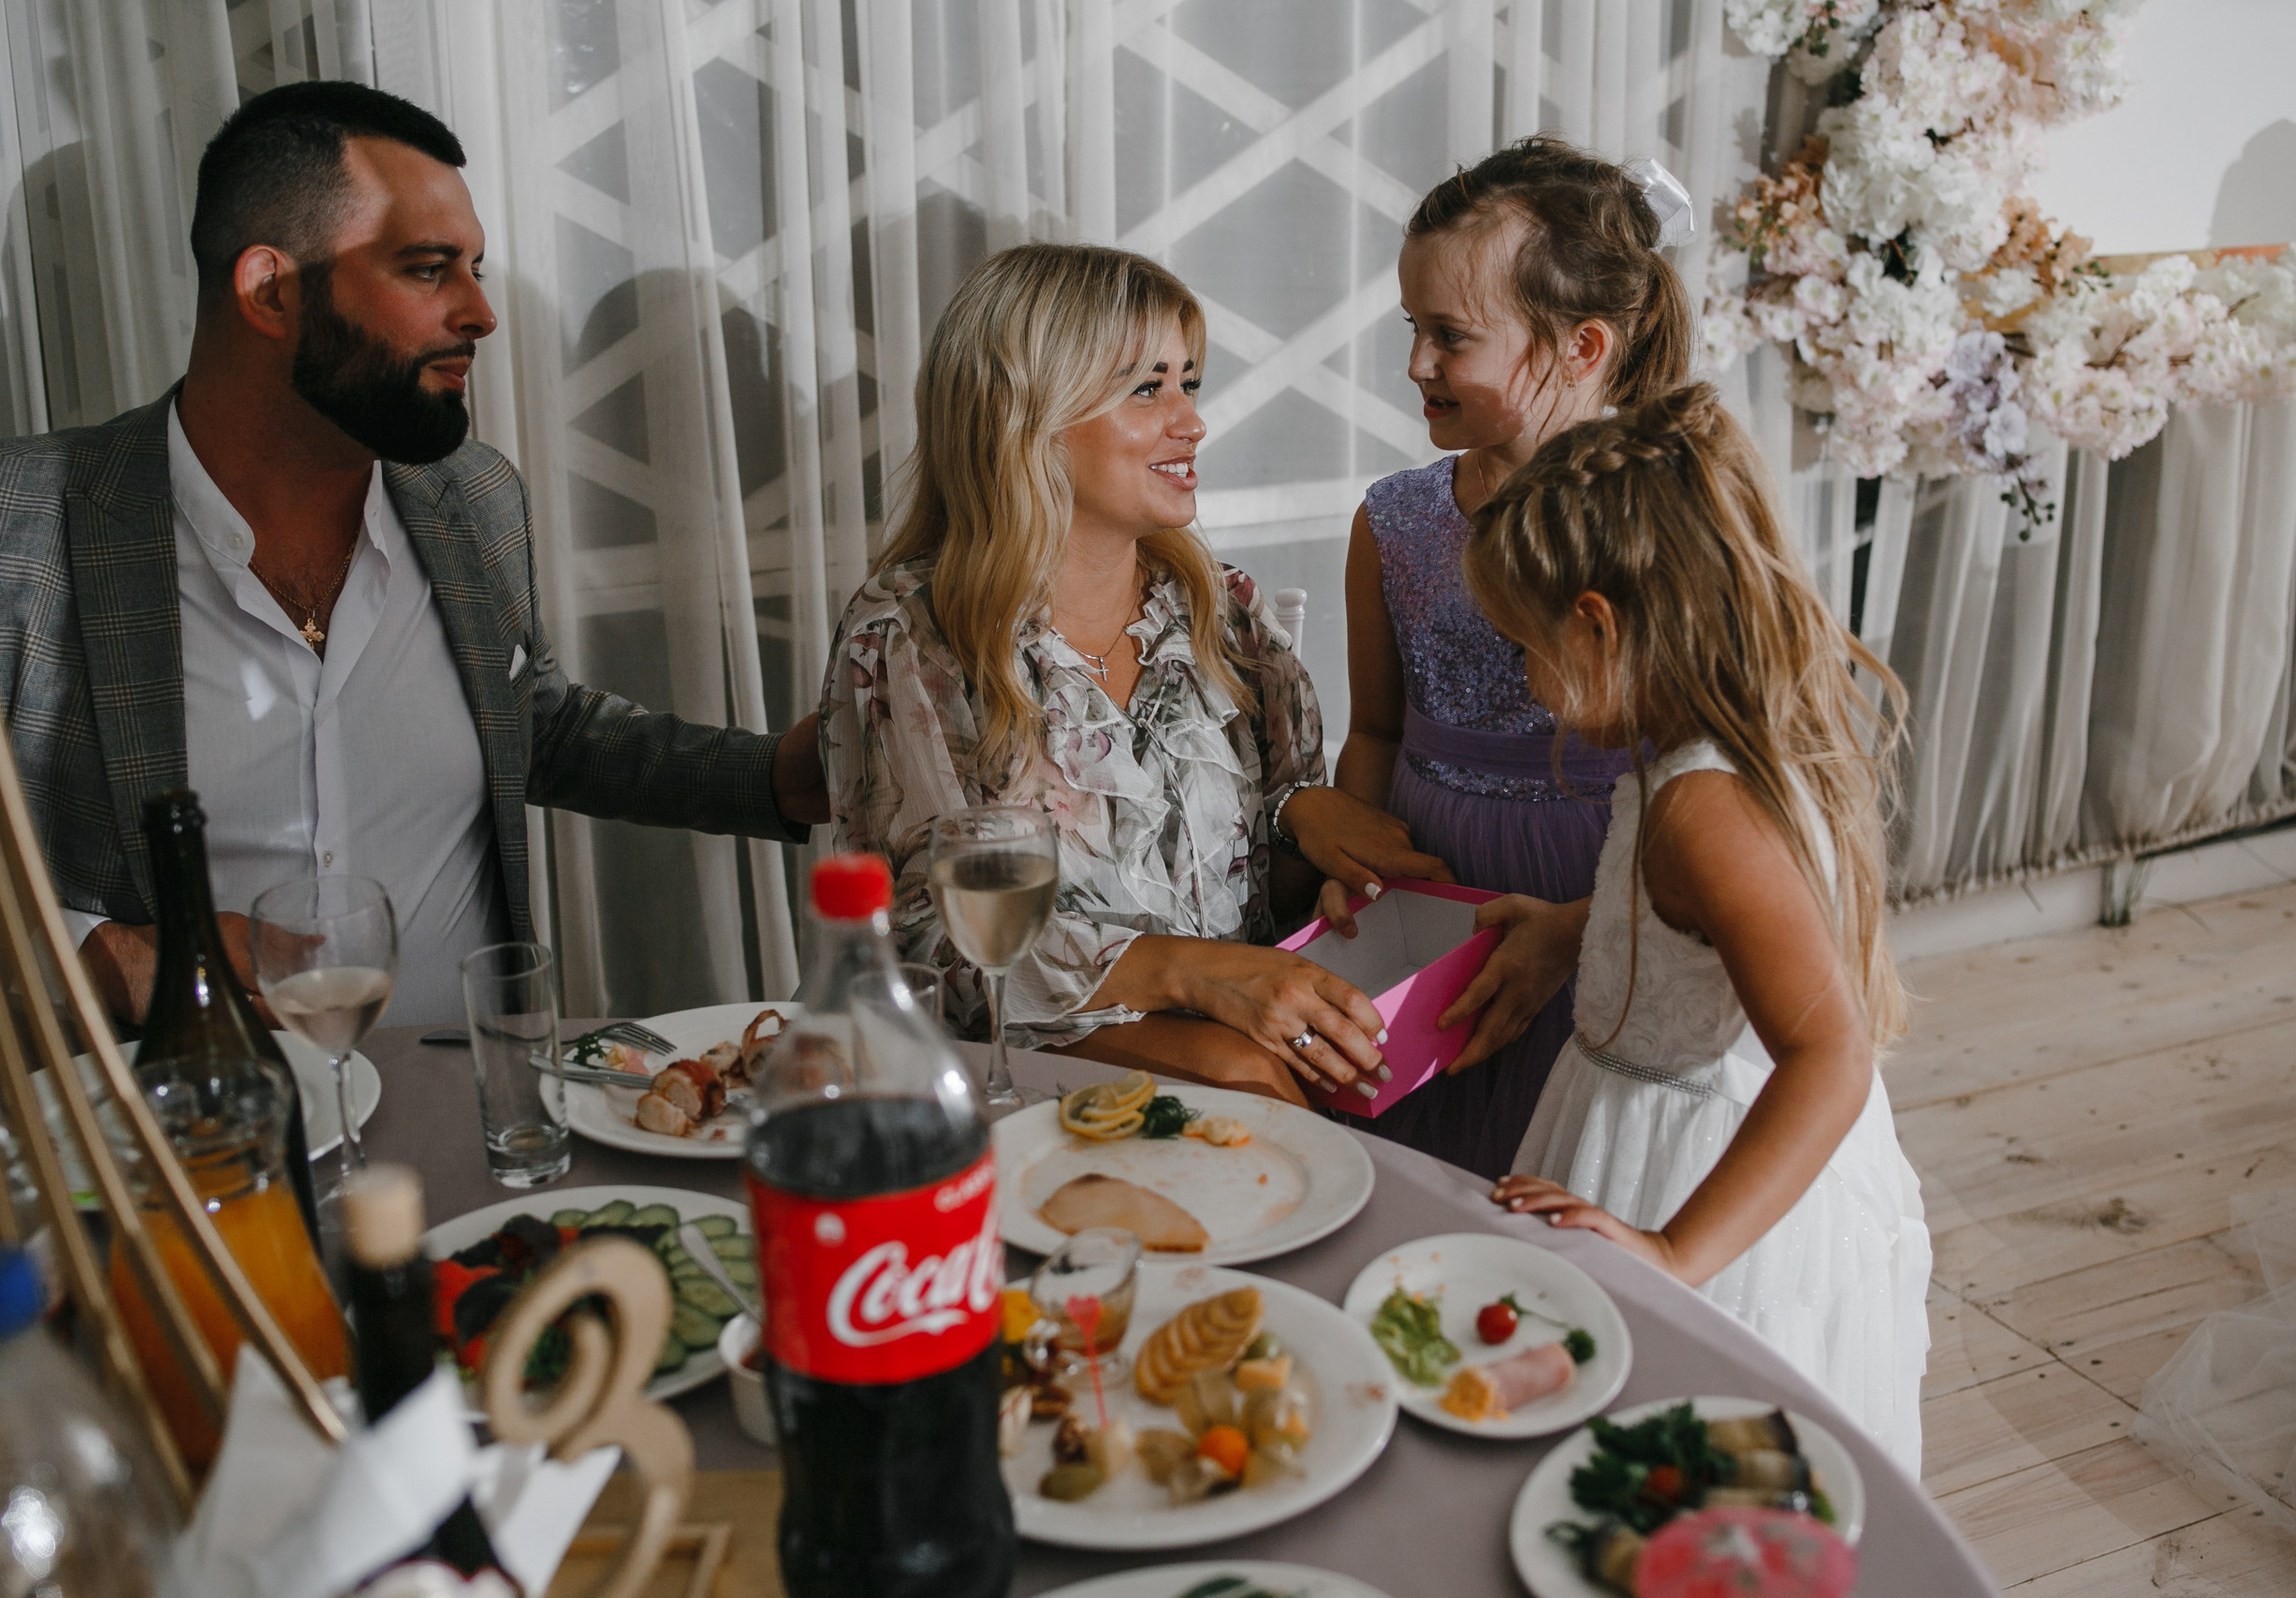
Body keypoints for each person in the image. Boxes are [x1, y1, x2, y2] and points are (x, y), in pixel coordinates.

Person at [0, 82, 826, 1027]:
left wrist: (772, 775)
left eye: (477, 269)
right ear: (271, 290)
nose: (480, 314)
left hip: (473, 1142)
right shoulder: (1, 531)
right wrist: (103, 957)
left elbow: (532, 728)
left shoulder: (475, 499)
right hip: (185, 1153)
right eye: (427, 269)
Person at [822, 242, 1443, 1105]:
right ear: (1024, 414)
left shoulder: (1227, 617)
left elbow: (1265, 909)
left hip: (1245, 1058)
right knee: (1249, 1079)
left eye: (1189, 382)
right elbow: (927, 948)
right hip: (1003, 1079)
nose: (1190, 420)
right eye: (1146, 389)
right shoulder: (912, 637)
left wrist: (1311, 849)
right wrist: (1195, 978)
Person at [1478, 386, 1932, 1472]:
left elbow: (1829, 1055)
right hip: (1640, 1119)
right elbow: (1709, 932)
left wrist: (1673, 1254)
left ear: (1596, 625)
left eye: (1525, 649)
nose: (1526, 680)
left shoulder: (1703, 807)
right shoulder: (1699, 762)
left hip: (1692, 1179)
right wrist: (1579, 927)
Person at [1337, 138, 1693, 1177]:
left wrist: (1583, 930)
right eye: (1412, 329)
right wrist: (1351, 870)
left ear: (1582, 347)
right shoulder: (1395, 522)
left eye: (1450, 336)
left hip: (1612, 896)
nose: (1414, 366)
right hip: (1431, 900)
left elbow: (1740, 794)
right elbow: (1375, 729)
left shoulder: (1670, 526)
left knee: (1568, 1178)